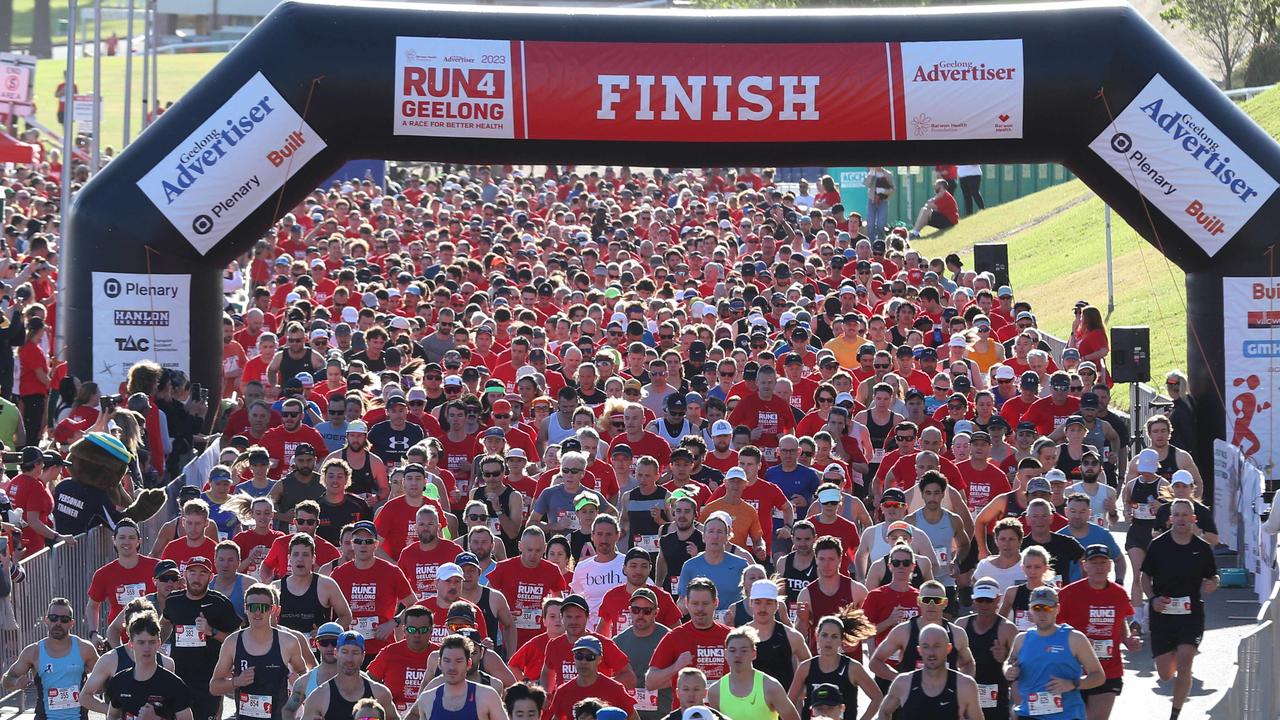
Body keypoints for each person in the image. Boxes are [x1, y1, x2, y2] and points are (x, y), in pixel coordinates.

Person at [1141, 498, 1219, 720]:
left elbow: (1212, 575)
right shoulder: (1158, 545)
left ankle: (1175, 714)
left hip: (1190, 614)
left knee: (1185, 664)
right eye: (1177, 515)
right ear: (1170, 519)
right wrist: (1152, 598)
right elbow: (1144, 576)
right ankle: (1173, 652)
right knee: (1165, 674)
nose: (1181, 519)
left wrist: (1213, 582)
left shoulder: (1202, 548)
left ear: (1194, 519)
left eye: (1186, 515)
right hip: (1162, 614)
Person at [1004, 586, 1106, 720]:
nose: (1042, 614)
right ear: (1030, 611)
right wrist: (1009, 671)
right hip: (1029, 715)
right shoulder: (1021, 639)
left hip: (1067, 715)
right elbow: (1009, 663)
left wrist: (1072, 684)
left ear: (1057, 609)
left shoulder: (1074, 638)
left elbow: (1098, 676)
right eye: (1037, 608)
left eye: (1047, 608)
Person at [209, 583, 309, 720]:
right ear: (246, 608)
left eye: (263, 608)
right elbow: (214, 687)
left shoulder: (288, 642)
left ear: (272, 609)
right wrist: (236, 681)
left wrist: (295, 700)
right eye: (252, 607)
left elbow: (305, 678)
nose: (257, 612)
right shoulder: (232, 642)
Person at [160, 555, 242, 720]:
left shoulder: (220, 603)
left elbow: (237, 641)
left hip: (208, 680)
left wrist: (211, 631)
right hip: (178, 676)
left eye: (202, 574)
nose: (197, 578)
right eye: (193, 572)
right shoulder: (174, 601)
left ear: (211, 577)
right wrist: (157, 644)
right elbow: (164, 623)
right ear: (185, 574)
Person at [1, 597, 99, 720]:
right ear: (46, 620)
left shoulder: (85, 649)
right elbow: (6, 680)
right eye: (53, 618)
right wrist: (16, 683)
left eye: (64, 619)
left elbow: (104, 680)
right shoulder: (33, 652)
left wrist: (94, 687)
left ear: (71, 623)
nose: (58, 623)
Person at [331, 520, 417, 659]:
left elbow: (414, 605)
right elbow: (325, 606)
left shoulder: (392, 572)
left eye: (368, 541)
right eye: (358, 541)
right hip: (348, 649)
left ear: (376, 544)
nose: (363, 545)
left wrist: (393, 623)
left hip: (382, 648)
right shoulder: (339, 573)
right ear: (352, 544)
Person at [787, 611, 881, 720]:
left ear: (841, 640)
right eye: (825, 635)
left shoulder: (852, 668)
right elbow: (789, 702)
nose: (829, 640)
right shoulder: (805, 667)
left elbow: (877, 697)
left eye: (834, 636)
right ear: (817, 636)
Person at [878, 624, 983, 718]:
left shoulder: (965, 685)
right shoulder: (903, 683)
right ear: (919, 650)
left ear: (948, 648)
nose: (931, 652)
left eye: (937, 646)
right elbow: (884, 711)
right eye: (926, 646)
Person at [105, 611, 194, 720]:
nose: (146, 648)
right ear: (131, 644)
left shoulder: (174, 684)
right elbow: (111, 716)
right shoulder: (119, 681)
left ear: (158, 643)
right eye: (141, 642)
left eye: (151, 642)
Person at [85, 520, 160, 643]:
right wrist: (94, 633)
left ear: (138, 542)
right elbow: (93, 606)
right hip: (119, 641)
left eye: (131, 538)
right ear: (114, 540)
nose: (126, 542)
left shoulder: (156, 567)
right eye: (122, 537)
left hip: (152, 639)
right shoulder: (103, 574)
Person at [300, 631, 399, 720]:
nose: (349, 659)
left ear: (363, 656)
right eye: (344, 652)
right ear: (336, 653)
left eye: (355, 653)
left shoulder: (380, 693)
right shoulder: (319, 697)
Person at [707, 626, 800, 720]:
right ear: (725, 654)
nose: (738, 655)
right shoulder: (715, 691)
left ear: (754, 654)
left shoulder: (770, 687)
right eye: (732, 650)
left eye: (744, 650)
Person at [956, 577, 1016, 720]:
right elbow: (951, 659)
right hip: (965, 692)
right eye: (980, 599)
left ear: (998, 599)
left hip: (996, 696)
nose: (984, 604)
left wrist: (1005, 658)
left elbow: (1019, 666)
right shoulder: (961, 625)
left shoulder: (1007, 628)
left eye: (988, 600)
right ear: (973, 600)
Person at [414, 634, 507, 720]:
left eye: (458, 661)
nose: (452, 667)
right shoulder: (426, 699)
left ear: (469, 664)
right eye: (447, 661)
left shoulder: (487, 696)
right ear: (439, 663)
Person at [613, 587, 673, 720]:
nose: (640, 615)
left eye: (647, 611)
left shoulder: (670, 638)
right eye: (636, 610)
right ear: (630, 611)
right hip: (629, 716)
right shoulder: (617, 642)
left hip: (662, 715)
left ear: (656, 613)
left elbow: (680, 676)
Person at [367, 605, 440, 715]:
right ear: (404, 630)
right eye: (412, 630)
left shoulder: (442, 655)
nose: (417, 634)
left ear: (431, 631)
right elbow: (368, 683)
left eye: (423, 630)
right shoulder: (389, 652)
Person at [545, 635, 638, 720]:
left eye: (590, 657)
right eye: (579, 656)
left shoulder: (615, 689)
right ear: (574, 658)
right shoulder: (563, 691)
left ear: (599, 659)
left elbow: (634, 718)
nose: (583, 661)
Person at [283, 622, 344, 717]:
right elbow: (288, 711)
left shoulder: (357, 679)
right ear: (316, 644)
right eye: (324, 642)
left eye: (334, 642)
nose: (330, 647)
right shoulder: (304, 682)